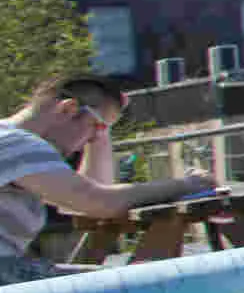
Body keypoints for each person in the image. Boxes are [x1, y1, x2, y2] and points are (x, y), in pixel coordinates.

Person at [1, 73, 217, 282]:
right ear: (68, 109)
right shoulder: (18, 146)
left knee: (130, 283)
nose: (93, 138)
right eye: (97, 127)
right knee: (141, 286)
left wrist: (101, 131)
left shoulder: (12, 141)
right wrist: (186, 185)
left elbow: (87, 198)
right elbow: (100, 202)